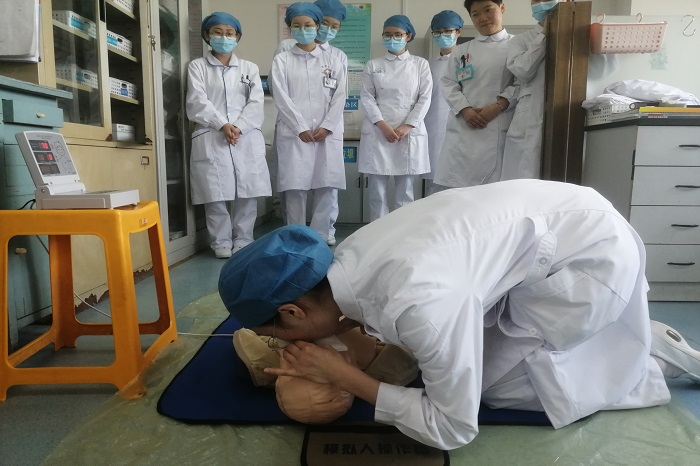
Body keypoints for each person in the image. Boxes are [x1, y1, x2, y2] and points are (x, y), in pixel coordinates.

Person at [219, 179, 700, 450]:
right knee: (459, 354)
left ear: (292, 310)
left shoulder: (418, 303)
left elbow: (453, 429)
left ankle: (645, 365)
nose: (283, 344)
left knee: (497, 389)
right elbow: (380, 313)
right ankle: (628, 338)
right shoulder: (348, 257)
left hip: (589, 258)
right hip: (565, 217)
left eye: (277, 333)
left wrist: (345, 377)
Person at [186, 12, 271, 259]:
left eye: (229, 33)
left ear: (237, 37)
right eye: (217, 32)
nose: (224, 37)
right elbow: (197, 100)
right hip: (212, 134)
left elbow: (256, 102)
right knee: (215, 193)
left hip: (245, 136)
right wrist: (222, 124)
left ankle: (244, 239)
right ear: (207, 35)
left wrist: (239, 126)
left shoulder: (249, 68)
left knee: (247, 191)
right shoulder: (197, 67)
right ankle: (221, 241)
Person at [271, 0, 349, 246]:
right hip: (295, 133)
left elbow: (340, 95)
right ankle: (295, 235)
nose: (303, 29)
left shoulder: (334, 59)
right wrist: (300, 127)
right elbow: (280, 95)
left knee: (326, 184)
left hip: (327, 132)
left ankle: (320, 235)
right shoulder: (282, 60)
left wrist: (328, 126)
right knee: (295, 187)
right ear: (289, 28)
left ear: (317, 25)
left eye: (308, 25)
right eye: (296, 25)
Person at [434, 0, 517, 189]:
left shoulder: (516, 45)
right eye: (476, 14)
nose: (483, 18)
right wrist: (465, 110)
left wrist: (497, 106)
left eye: (488, 10)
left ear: (502, 8)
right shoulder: (463, 50)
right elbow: (448, 82)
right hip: (464, 128)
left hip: (498, 124)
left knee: (493, 191)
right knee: (459, 191)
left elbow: (521, 83)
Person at [358, 15, 432, 221]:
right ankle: (377, 230)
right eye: (388, 35)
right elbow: (367, 97)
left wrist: (407, 126)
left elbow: (425, 98)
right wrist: (383, 126)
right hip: (378, 131)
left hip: (408, 132)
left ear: (408, 36)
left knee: (405, 190)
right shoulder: (373, 65)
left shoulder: (420, 64)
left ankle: (401, 230)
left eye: (398, 34)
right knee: (376, 190)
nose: (392, 38)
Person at [501, 0, 561, 180]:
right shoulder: (521, 40)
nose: (541, 3)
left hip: (564, 116)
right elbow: (523, 71)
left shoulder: (575, 36)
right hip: (529, 119)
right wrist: (544, 35)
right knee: (524, 177)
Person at [422, 10, 464, 196]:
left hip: (462, 126)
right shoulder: (428, 65)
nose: (442, 36)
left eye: (447, 31)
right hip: (433, 128)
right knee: (434, 184)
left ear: (458, 32)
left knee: (460, 185)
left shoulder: (468, 59)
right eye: (438, 32)